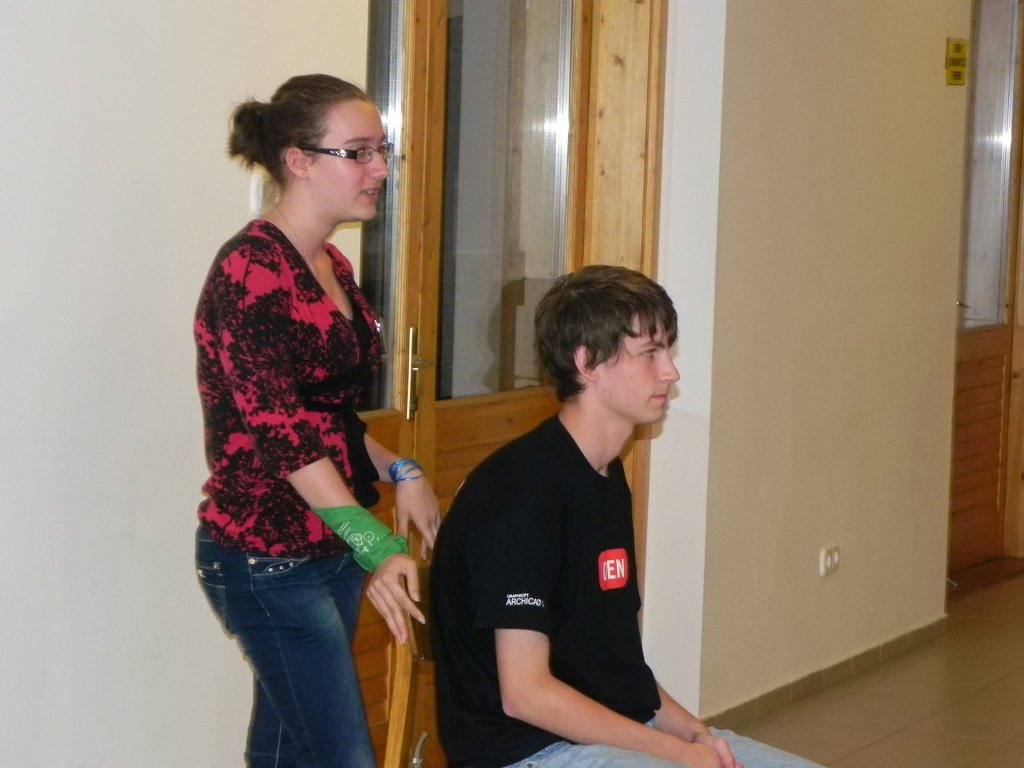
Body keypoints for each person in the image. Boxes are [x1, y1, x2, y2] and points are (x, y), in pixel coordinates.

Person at [430, 265, 823, 768]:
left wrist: (695, 736)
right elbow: (525, 694)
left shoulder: (605, 475)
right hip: (531, 752)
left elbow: (615, 667)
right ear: (588, 362)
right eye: (650, 353)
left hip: (617, 733)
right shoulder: (521, 495)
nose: (670, 373)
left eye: (667, 352)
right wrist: (675, 754)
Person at [193, 74, 440, 768]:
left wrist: (401, 468)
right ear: (298, 160)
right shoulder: (251, 271)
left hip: (327, 549)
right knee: (342, 755)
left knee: (287, 748)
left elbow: (329, 417)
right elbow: (282, 433)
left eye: (382, 150)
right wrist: (376, 544)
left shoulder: (330, 263)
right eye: (357, 152)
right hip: (265, 557)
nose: (379, 169)